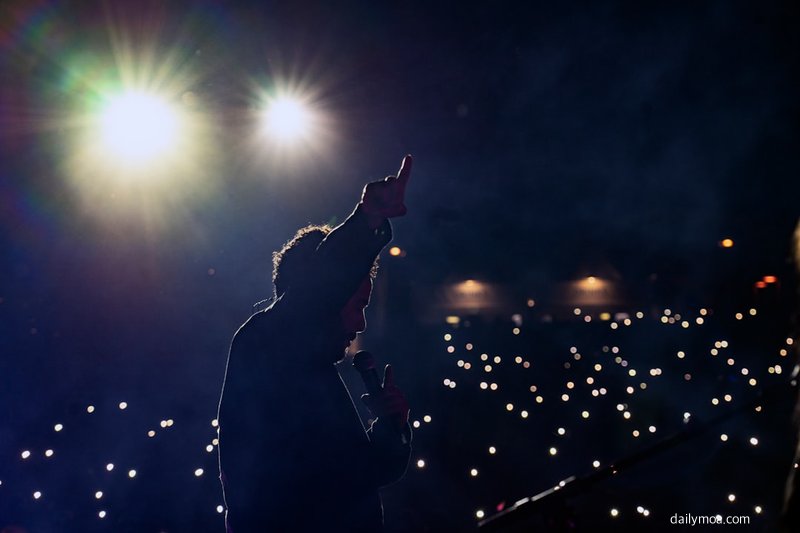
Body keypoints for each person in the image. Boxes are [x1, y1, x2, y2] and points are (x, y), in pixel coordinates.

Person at [217, 156, 414, 532]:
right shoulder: (266, 340)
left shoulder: (310, 371)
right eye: (357, 305)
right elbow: (318, 290)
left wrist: (391, 429)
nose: (361, 323)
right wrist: (367, 219)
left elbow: (358, 476)